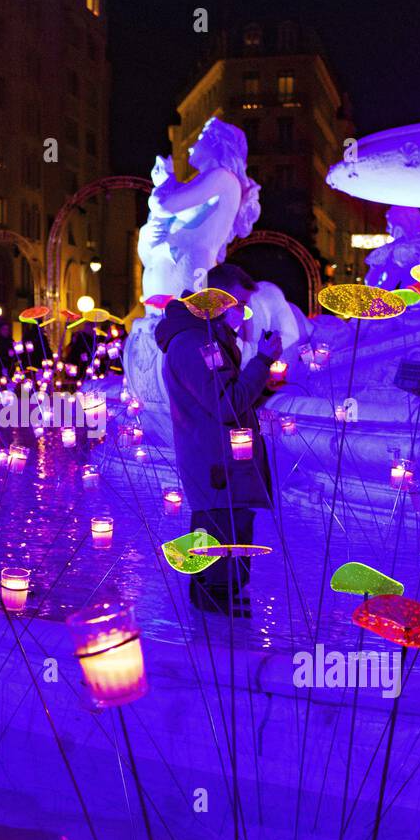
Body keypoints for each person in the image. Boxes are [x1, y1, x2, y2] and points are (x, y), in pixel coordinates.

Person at [155, 262, 282, 617]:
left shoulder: (209, 339)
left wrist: (261, 380)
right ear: (219, 301)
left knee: (233, 529)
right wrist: (262, 362)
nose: (244, 313)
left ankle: (223, 599)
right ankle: (215, 613)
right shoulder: (195, 343)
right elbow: (226, 403)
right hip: (214, 462)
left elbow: (226, 395)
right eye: (240, 303)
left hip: (224, 459)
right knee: (220, 533)